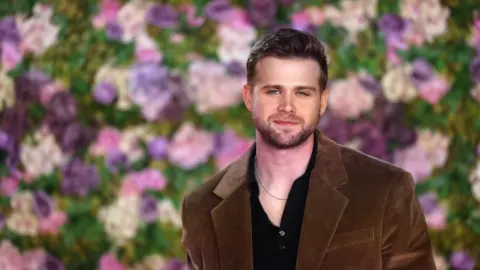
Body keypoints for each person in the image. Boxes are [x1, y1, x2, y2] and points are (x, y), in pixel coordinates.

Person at [180, 28, 436, 270]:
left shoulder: (386, 189)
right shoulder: (201, 206)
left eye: (302, 93)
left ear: (322, 101)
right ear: (249, 97)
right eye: (273, 91)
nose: (287, 107)